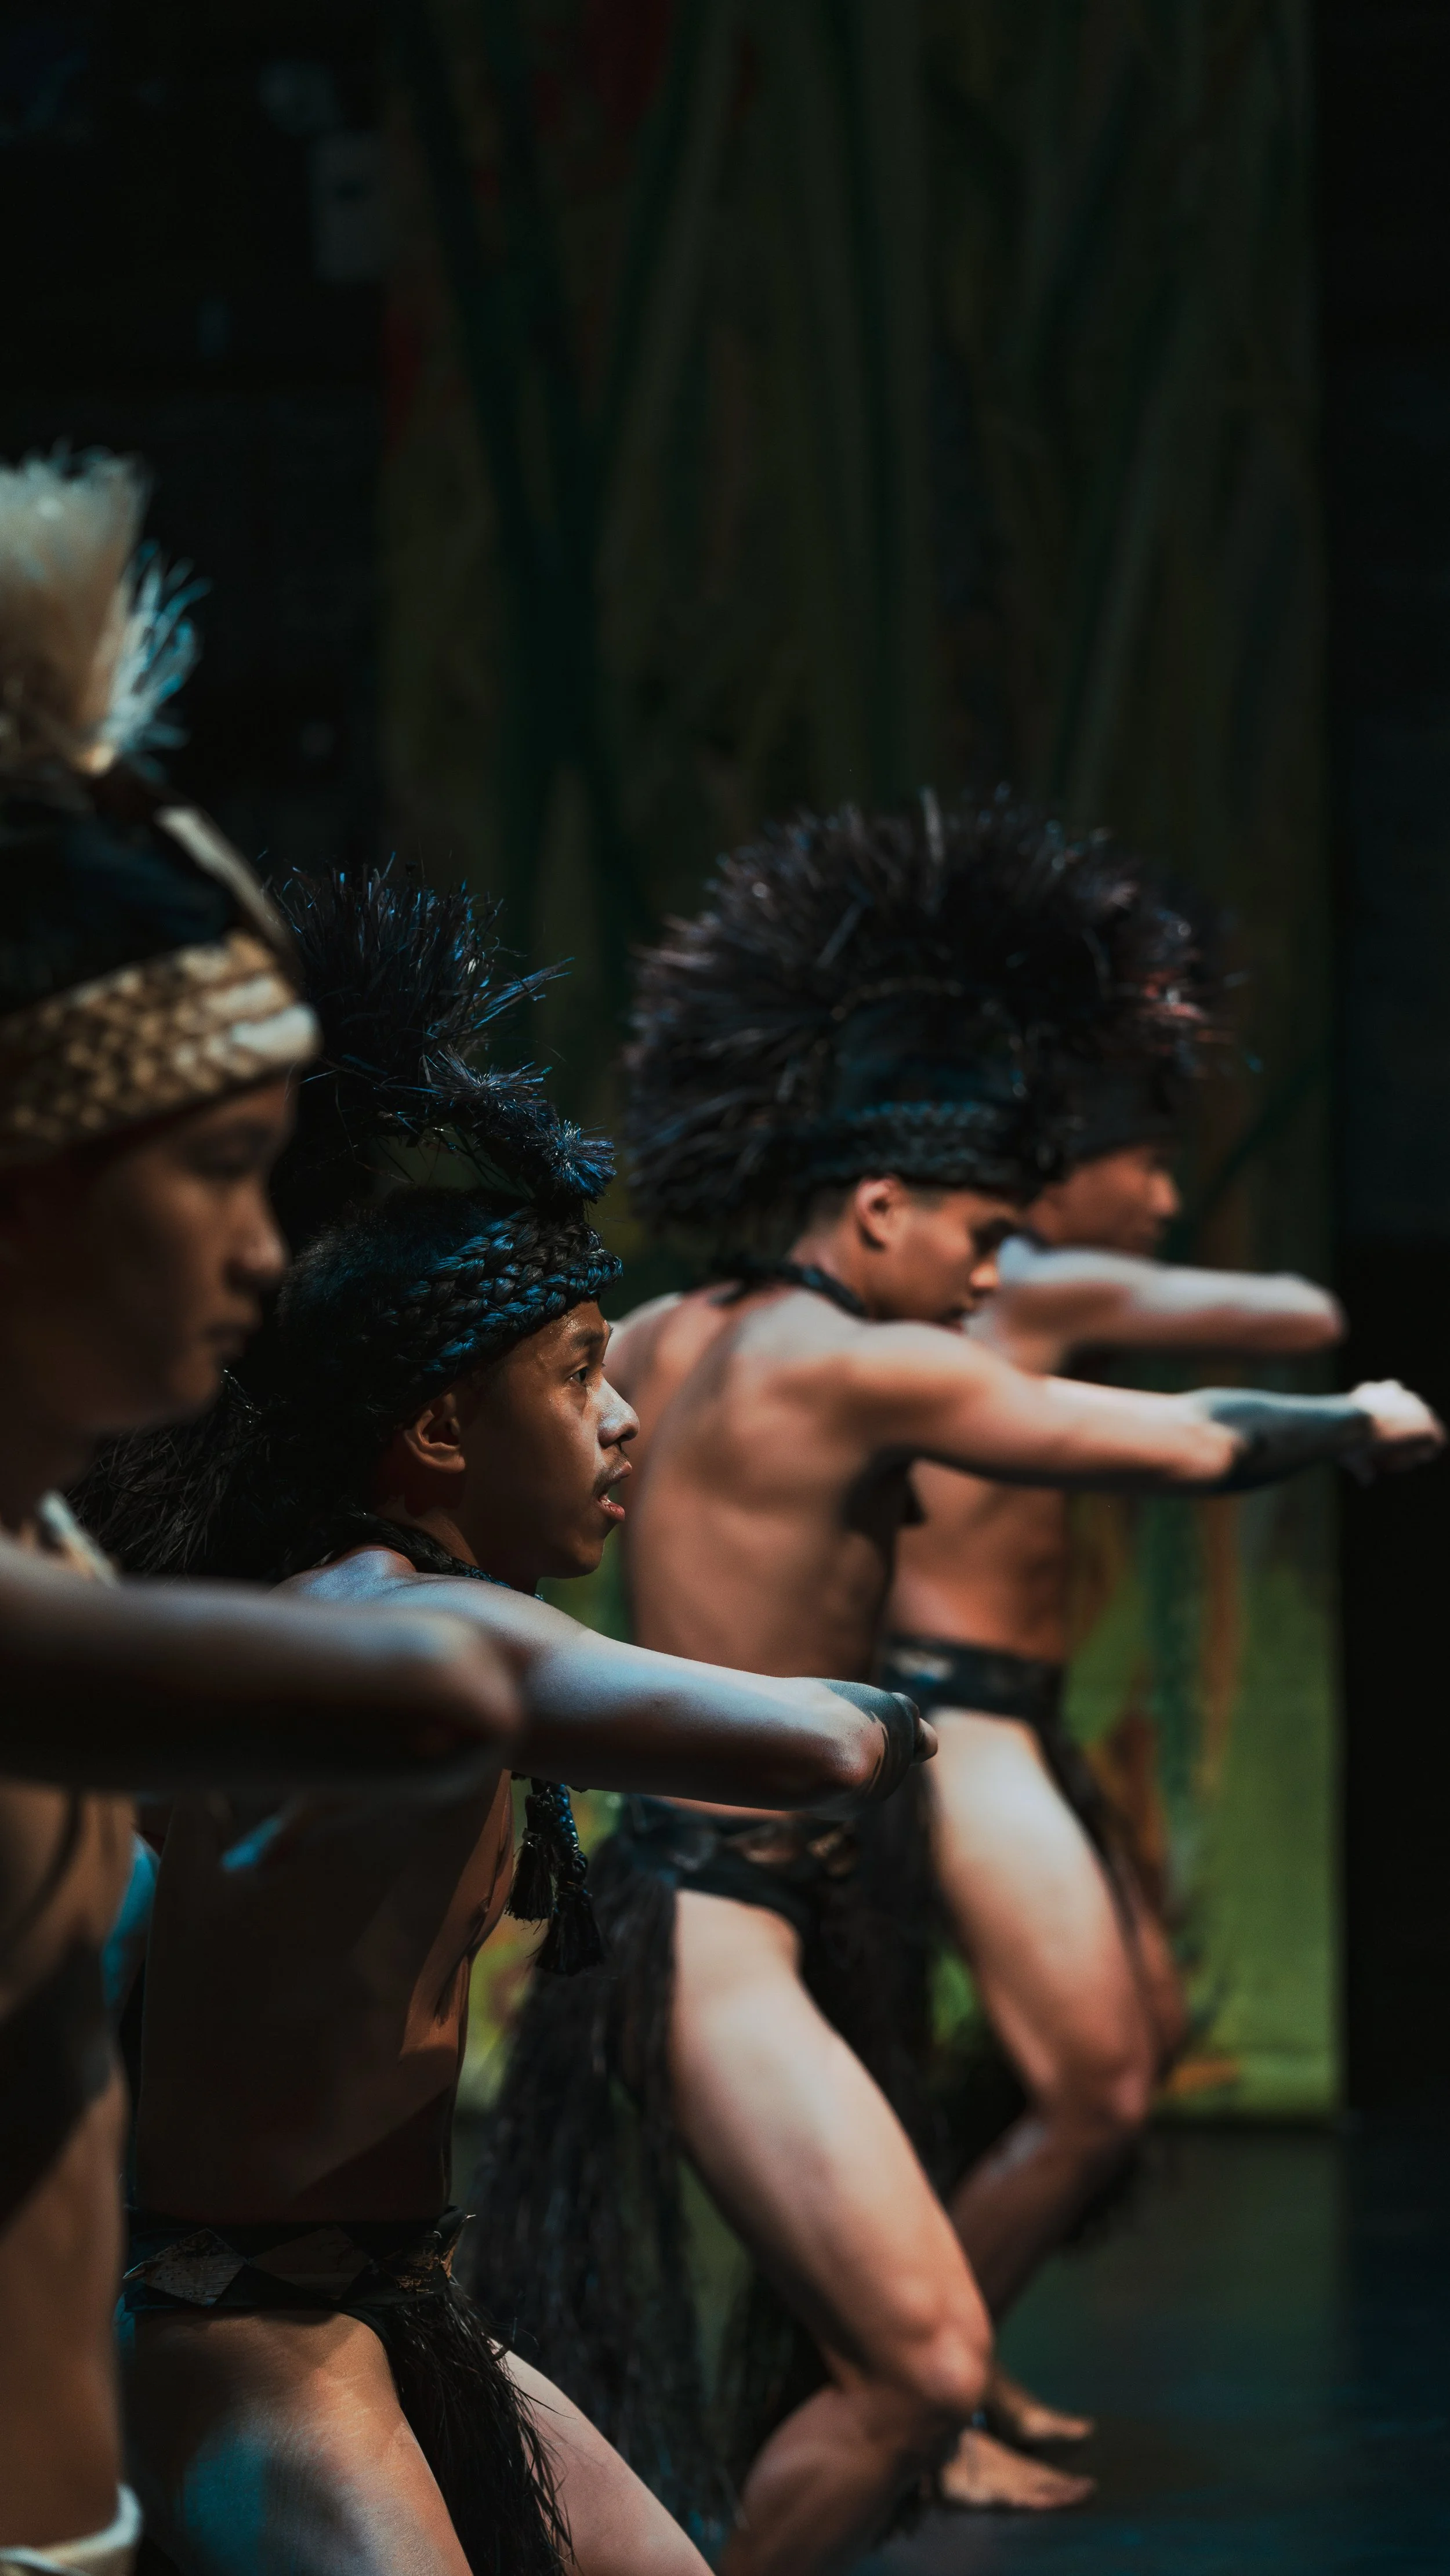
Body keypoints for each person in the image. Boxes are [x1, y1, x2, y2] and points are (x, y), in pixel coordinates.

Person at [474, 795, 1441, 2576]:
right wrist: (1354, 1422)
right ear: (879, 1203)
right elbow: (1149, 1439)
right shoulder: (846, 1365)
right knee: (919, 2374)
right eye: (984, 1243)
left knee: (896, 2356)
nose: (998, 1283)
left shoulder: (670, 1333)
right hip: (714, 1935)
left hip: (716, 1918)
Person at [86, 864, 929, 2576]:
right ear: (441, 1436)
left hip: (377, 2308)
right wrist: (909, 1709)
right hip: (259, 2349)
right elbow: (816, 1747)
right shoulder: (423, 1627)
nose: (624, 1424)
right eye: (576, 1374)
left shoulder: (333, 1612)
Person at [0, 451, 536, 2576]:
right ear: (32, 1186)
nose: (263, 1247)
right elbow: (404, 1704)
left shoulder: (54, 1565)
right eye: (218, 1170)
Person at [880, 950, 1347, 2462]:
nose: (1157, 1198)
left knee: (1127, 2031)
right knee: (1094, 2090)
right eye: (1137, 1166)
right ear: (1056, 1177)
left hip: (1013, 1722)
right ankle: (916, 2408)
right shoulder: (1028, 1279)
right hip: (962, 1725)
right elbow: (1291, 1313)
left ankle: (942, 2356)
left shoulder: (1002, 1296)